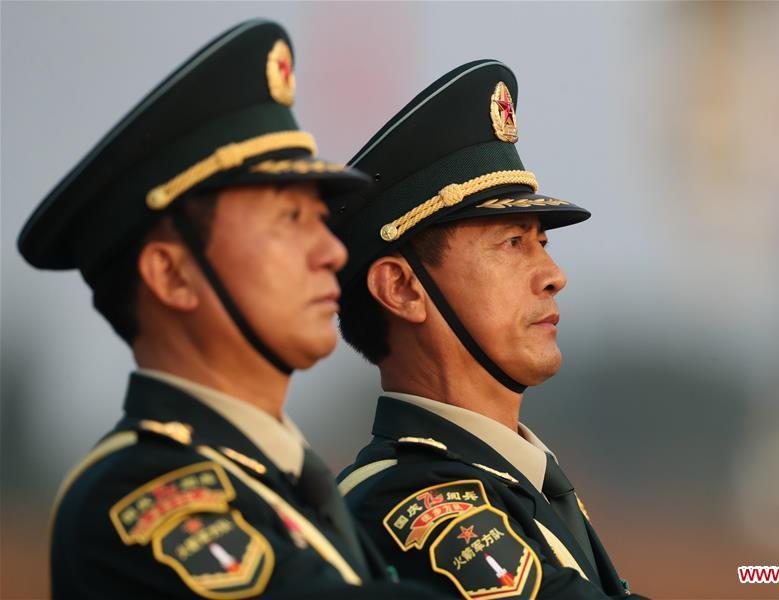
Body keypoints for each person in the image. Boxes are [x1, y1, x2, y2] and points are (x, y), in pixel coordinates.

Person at [19, 19, 445, 599]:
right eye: (289, 220)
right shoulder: (134, 496)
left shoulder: (281, 482)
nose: (331, 252)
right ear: (172, 274)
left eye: (320, 221)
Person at [333, 60, 647, 599]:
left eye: (542, 243)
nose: (553, 276)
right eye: (511, 243)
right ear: (403, 289)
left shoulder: (518, 482)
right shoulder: (412, 504)